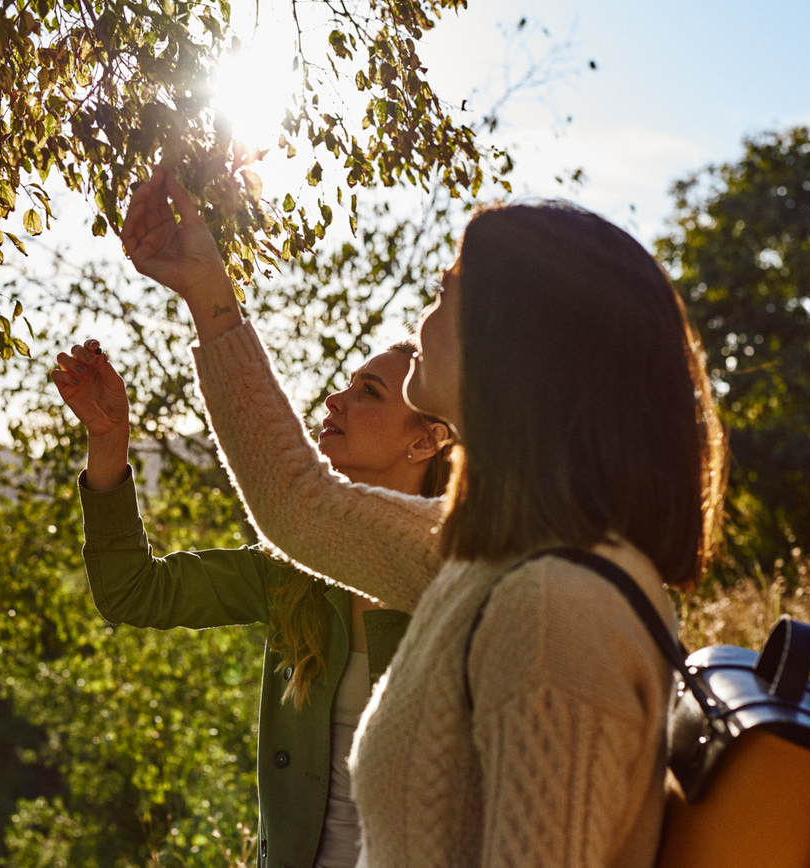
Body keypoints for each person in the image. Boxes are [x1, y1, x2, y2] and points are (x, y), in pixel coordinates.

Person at [119, 168, 727, 868]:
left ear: (513, 347)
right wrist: (206, 292)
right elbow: (300, 506)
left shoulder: (554, 610)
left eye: (447, 292)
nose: (424, 318)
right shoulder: (496, 556)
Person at [50, 331, 454, 868]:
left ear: (424, 443)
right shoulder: (291, 569)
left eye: (370, 392)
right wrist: (108, 438)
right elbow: (133, 591)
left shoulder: (459, 585)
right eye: (349, 384)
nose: (336, 399)